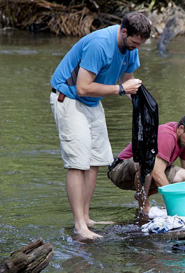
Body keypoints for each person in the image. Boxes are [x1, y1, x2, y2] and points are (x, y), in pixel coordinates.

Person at [50, 12, 151, 240]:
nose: (137, 47)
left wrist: (139, 106)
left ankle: (86, 217)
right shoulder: (100, 45)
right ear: (124, 31)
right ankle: (79, 226)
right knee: (78, 163)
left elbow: (127, 79)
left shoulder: (131, 48)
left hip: (92, 101)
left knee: (95, 160)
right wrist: (121, 90)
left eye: (140, 44)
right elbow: (83, 87)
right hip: (69, 97)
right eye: (135, 42)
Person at [108, 113, 185, 219]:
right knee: (147, 164)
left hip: (144, 173)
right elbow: (156, 172)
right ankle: (144, 208)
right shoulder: (167, 136)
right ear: (181, 128)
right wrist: (174, 203)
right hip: (119, 170)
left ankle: (142, 195)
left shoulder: (184, 141)